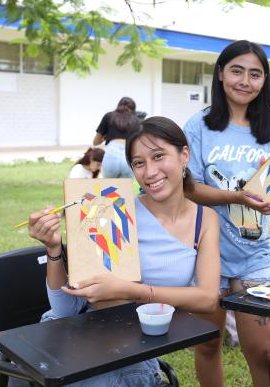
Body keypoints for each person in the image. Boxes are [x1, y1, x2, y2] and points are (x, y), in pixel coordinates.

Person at [28, 116, 220, 386]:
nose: (150, 172)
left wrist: (131, 291)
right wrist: (53, 249)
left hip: (136, 348)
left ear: (184, 155)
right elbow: (66, 309)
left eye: (158, 156)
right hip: (80, 342)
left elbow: (208, 298)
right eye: (139, 163)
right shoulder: (109, 208)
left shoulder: (205, 219)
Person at [184, 40, 270, 387]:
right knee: (208, 346)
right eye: (237, 70)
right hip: (208, 255)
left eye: (255, 74)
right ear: (221, 73)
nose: (245, 80)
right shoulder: (198, 126)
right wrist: (236, 196)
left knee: (264, 354)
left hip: (254, 254)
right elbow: (188, 187)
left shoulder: (268, 130)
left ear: (264, 80)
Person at [93, 97, 140, 178]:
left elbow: (96, 142)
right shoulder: (137, 120)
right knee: (125, 188)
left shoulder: (109, 116)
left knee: (109, 188)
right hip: (128, 155)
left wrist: (105, 137)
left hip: (111, 152)